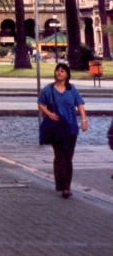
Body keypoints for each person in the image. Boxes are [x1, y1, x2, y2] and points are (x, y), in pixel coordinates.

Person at [37, 62, 88, 198]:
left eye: (62, 71)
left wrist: (84, 120)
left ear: (67, 74)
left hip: (71, 128)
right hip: (57, 128)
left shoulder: (72, 90)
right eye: (57, 71)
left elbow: (80, 104)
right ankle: (63, 187)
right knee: (60, 156)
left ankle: (66, 185)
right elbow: (40, 104)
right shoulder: (48, 89)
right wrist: (48, 114)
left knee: (68, 157)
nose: (59, 73)